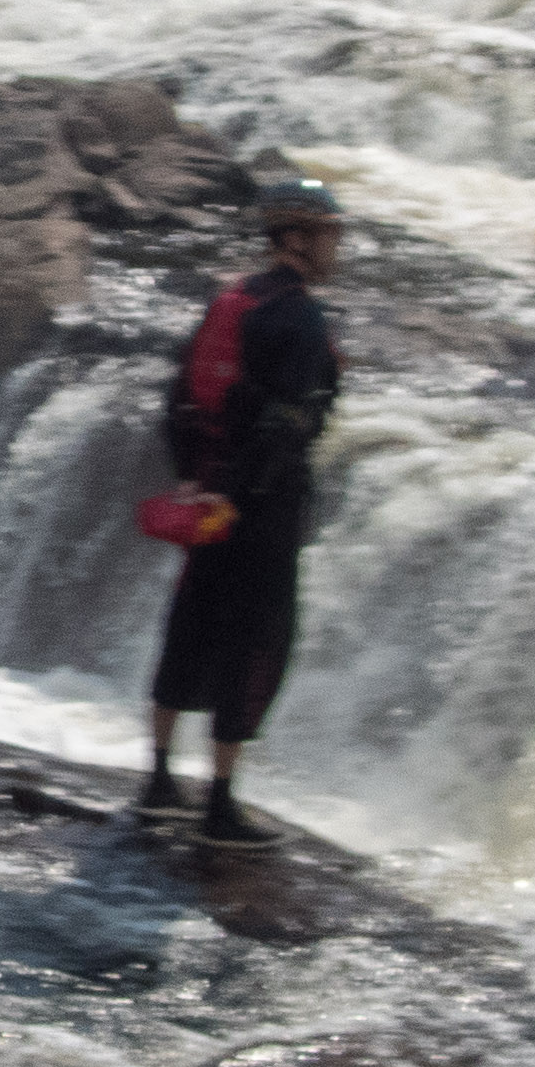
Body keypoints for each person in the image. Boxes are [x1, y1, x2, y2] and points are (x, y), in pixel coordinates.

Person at [143, 175, 347, 847]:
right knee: (256, 642)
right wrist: (237, 494)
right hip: (259, 509)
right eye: (330, 235)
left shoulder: (230, 299)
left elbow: (180, 397)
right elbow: (284, 426)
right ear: (297, 238)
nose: (337, 247)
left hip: (205, 497)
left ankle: (158, 780)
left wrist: (194, 483)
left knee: (191, 625)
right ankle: (221, 805)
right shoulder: (301, 318)